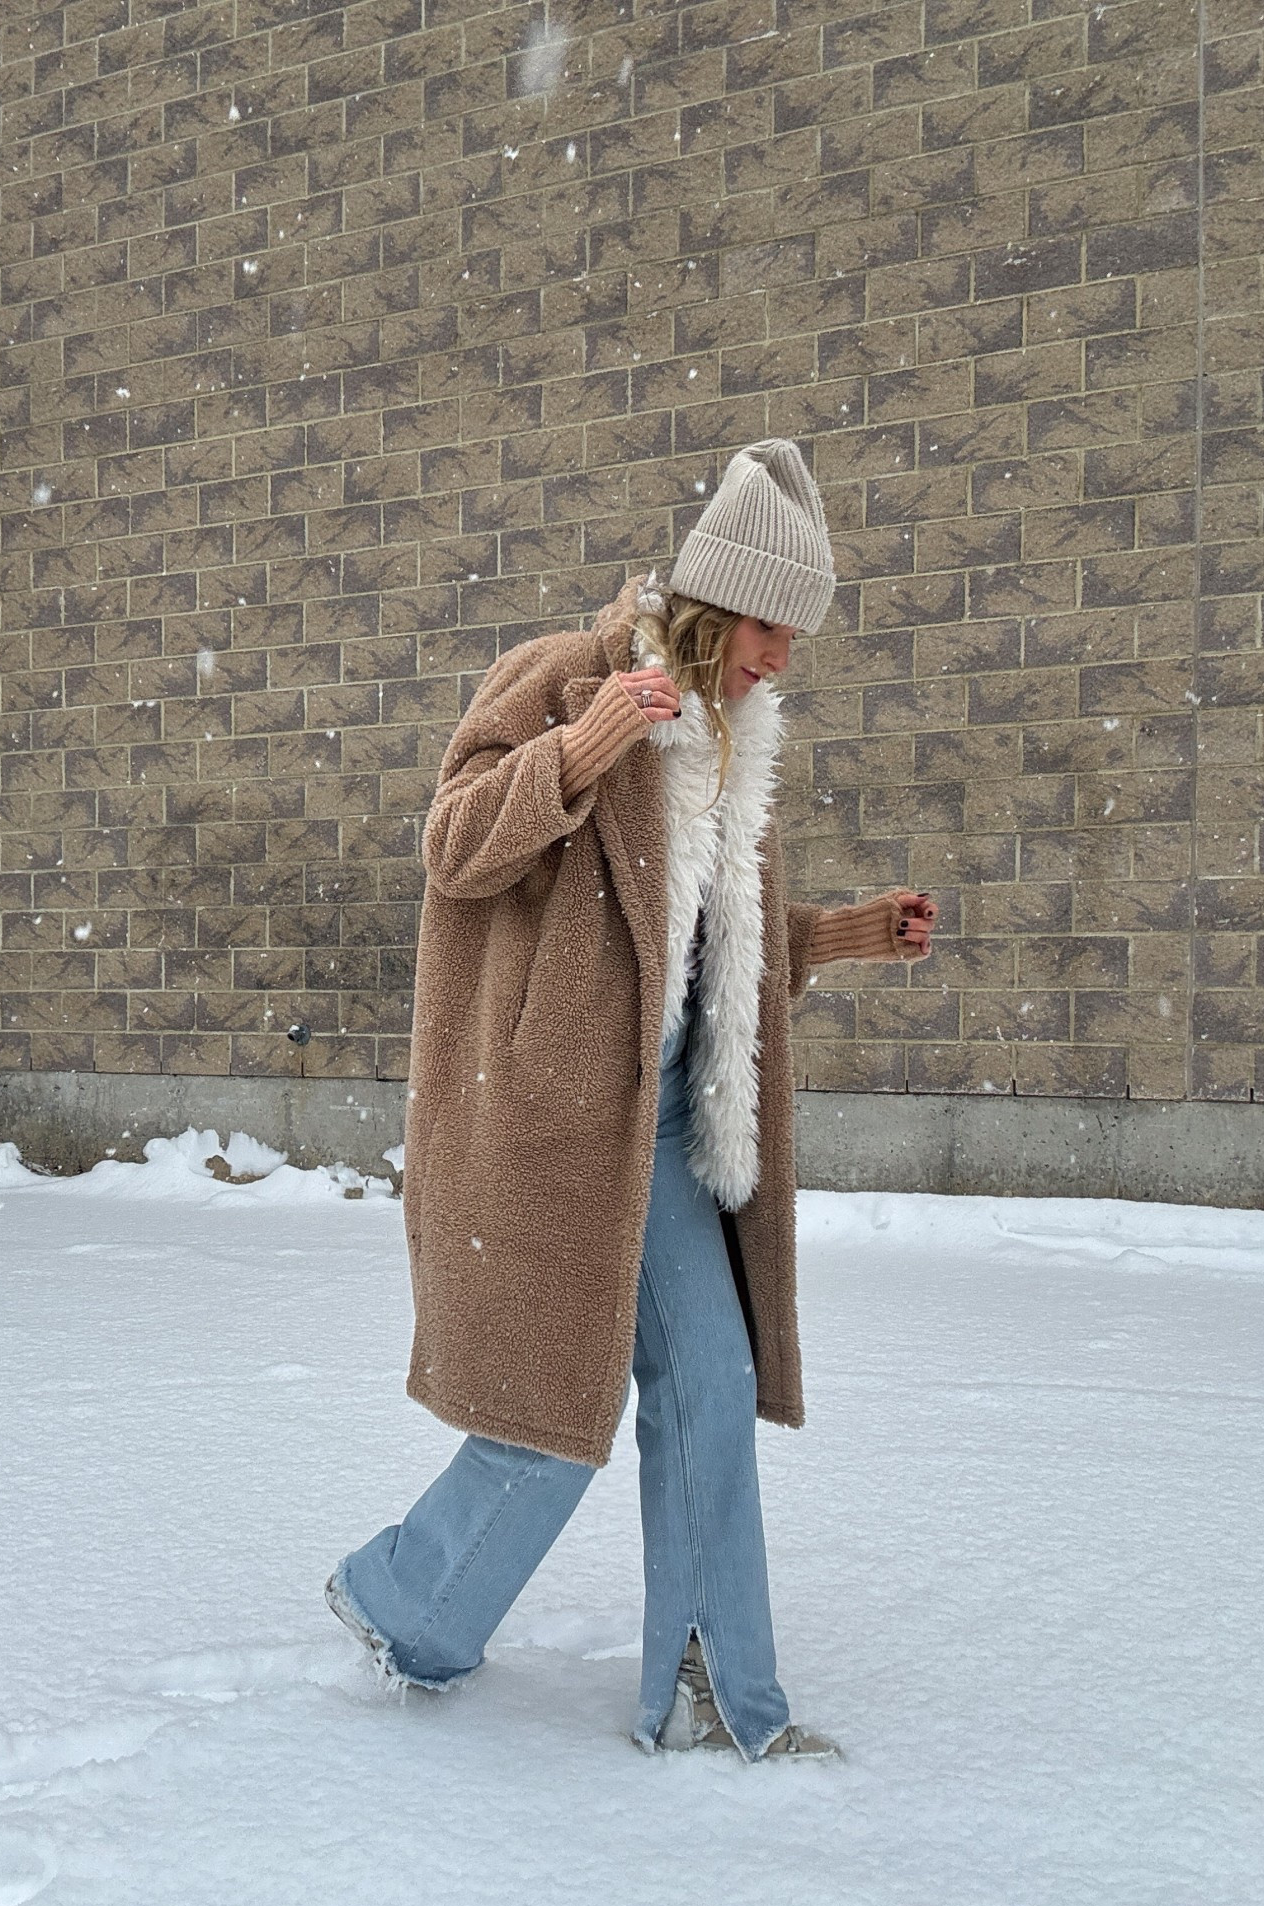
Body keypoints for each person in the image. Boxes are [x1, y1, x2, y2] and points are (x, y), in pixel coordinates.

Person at [325, 439, 938, 1759]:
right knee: (548, 1427)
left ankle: (716, 1693)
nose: (784, 661)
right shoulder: (566, 678)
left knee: (711, 1378)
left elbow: (724, 956)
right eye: (775, 629)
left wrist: (847, 936)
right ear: (721, 607)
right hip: (553, 1124)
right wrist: (578, 748)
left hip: (663, 1128)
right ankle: (403, 1604)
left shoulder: (735, 749)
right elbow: (453, 848)